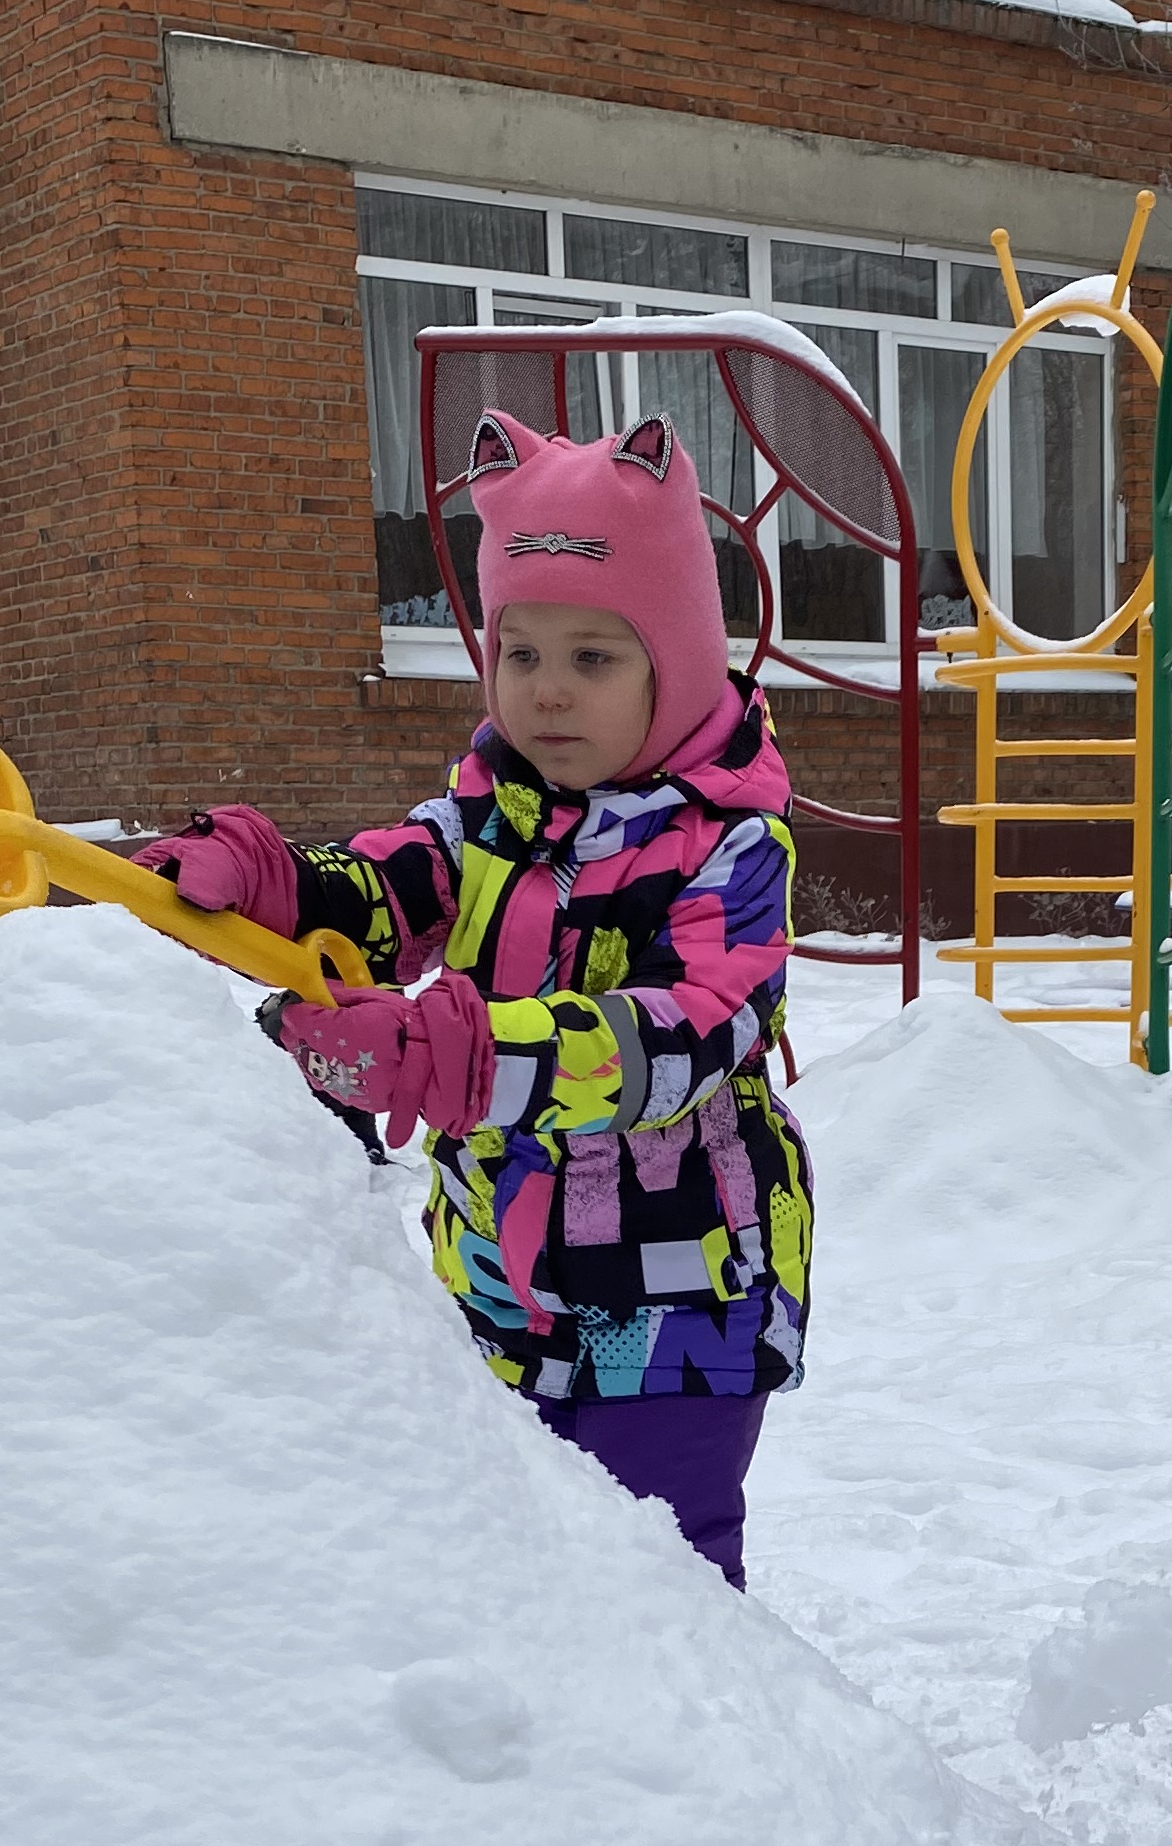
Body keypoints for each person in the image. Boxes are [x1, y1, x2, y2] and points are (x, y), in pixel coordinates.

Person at [138, 410, 810, 1589]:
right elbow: (395, 884)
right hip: (500, 1285)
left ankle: (686, 1773)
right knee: (523, 1575)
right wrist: (275, 883)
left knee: (668, 1586)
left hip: (679, 1302)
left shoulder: (731, 847)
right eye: (522, 653)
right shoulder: (489, 811)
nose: (548, 693)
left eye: (594, 658)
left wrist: (460, 1061)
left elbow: (690, 1032)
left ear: (681, 659)